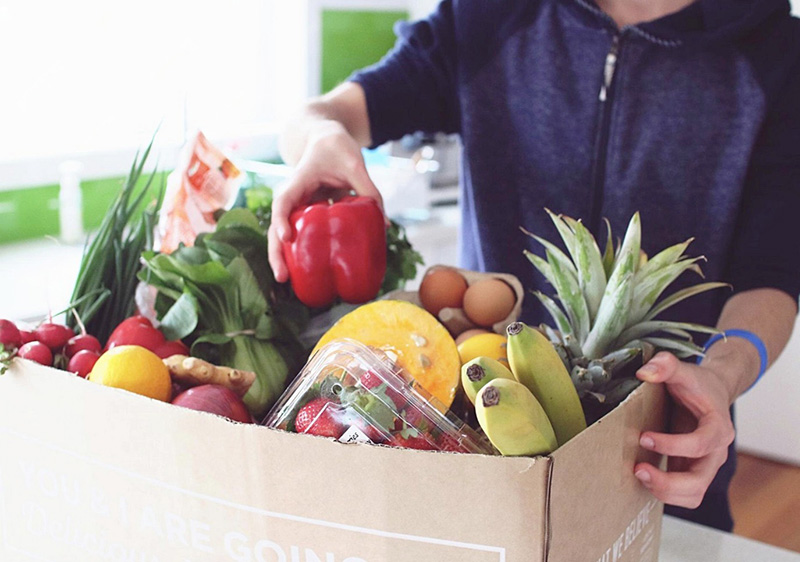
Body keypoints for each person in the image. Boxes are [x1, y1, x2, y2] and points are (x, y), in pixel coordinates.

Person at [268, 0, 800, 531]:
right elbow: (324, 115)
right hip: (482, 442)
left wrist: (721, 378)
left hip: (666, 449)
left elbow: (772, 276)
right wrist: (319, 136)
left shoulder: (779, 56)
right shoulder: (491, 14)